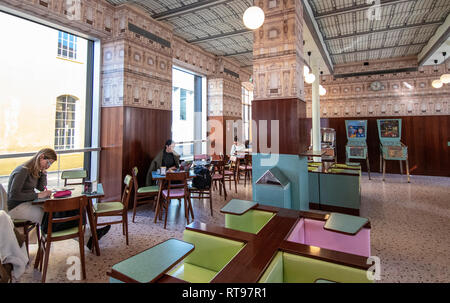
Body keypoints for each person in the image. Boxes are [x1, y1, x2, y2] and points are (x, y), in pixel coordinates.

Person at [7, 148, 110, 251]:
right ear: (41, 156)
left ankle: (88, 236)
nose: (48, 166)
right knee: (50, 218)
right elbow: (14, 195)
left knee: (60, 212)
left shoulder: (35, 170)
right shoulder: (23, 170)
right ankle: (88, 237)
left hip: (28, 202)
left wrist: (43, 173)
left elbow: (41, 188)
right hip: (16, 207)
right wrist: (38, 196)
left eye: (50, 164)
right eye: (48, 162)